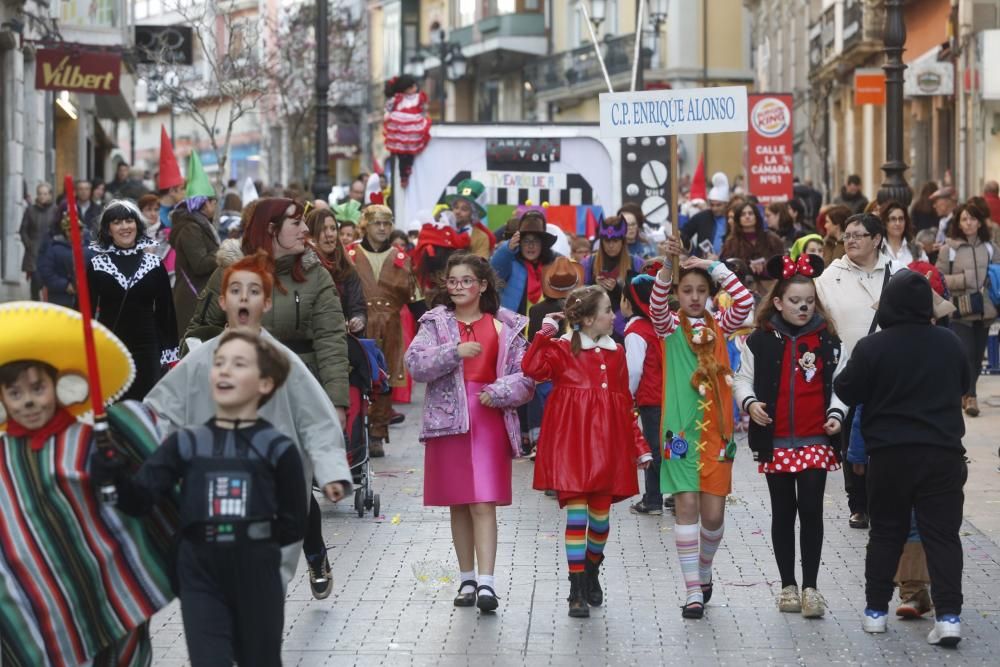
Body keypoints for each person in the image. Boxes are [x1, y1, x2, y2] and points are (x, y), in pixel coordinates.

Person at [146, 252, 351, 599]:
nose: (244, 297)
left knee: (262, 583)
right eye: (235, 290)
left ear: (267, 303)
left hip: (269, 490)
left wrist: (331, 471)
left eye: (254, 291)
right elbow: (159, 411)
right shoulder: (198, 361)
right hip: (213, 486)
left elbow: (317, 421)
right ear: (223, 300)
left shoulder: (284, 364)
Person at [97, 330, 307, 664]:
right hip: (199, 571)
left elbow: (295, 523)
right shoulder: (184, 443)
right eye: (218, 363)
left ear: (265, 383)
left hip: (257, 570)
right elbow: (138, 500)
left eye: (238, 364)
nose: (224, 370)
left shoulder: (279, 450)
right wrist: (113, 472)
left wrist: (252, 540)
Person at [0, 302, 175, 665]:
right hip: (40, 603)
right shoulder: (3, 458)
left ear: (59, 385)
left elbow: (144, 480)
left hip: (108, 584)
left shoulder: (90, 437)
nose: (29, 400)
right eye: (15, 393)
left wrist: (116, 463)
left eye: (37, 388)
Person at [834, 271, 969, 646]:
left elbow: (845, 388)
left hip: (890, 456)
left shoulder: (873, 347)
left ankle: (875, 612)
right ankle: (950, 617)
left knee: (886, 534)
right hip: (942, 453)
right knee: (942, 536)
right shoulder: (950, 343)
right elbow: (964, 384)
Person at [405, 253, 533, 612]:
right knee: (459, 503)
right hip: (448, 421)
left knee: (483, 501)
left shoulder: (503, 327)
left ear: (482, 286)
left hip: (488, 418)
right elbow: (415, 364)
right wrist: (453, 352)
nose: (459, 287)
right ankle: (466, 579)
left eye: (466, 281)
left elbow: (525, 376)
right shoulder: (434, 324)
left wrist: (501, 391)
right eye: (453, 281)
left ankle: (488, 583)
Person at [522, 286, 652, 618]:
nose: (614, 315)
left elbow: (625, 403)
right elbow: (533, 369)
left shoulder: (616, 352)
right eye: (609, 310)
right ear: (591, 318)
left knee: (600, 522)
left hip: (606, 445)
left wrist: (639, 446)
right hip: (571, 444)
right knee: (577, 517)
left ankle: (592, 568)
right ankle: (576, 588)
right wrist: (543, 335)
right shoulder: (562, 349)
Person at [734, 254, 846, 619]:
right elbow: (741, 379)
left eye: (809, 301)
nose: (803, 306)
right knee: (783, 512)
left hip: (815, 438)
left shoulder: (828, 339)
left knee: (812, 510)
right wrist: (749, 404)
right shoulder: (760, 340)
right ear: (778, 302)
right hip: (777, 440)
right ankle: (788, 586)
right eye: (796, 300)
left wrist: (836, 414)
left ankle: (812, 587)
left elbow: (840, 386)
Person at [649, 243, 754, 618]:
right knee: (687, 507)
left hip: (717, 435)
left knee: (713, 516)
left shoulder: (720, 325)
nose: (694, 298)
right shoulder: (670, 326)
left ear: (710, 294)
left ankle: (705, 570)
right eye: (686, 291)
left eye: (700, 291)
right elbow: (656, 306)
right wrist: (667, 268)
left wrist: (713, 266)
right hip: (678, 433)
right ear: (678, 294)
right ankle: (693, 590)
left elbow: (743, 303)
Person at [184, 197, 350, 431]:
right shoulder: (229, 274)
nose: (305, 229)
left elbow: (331, 342)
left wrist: (336, 403)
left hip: (300, 392)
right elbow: (195, 336)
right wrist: (225, 338)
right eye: (296, 223)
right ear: (271, 229)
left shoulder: (316, 275)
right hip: (239, 394)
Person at [88, 200, 179, 400]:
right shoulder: (96, 265)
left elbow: (166, 313)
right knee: (112, 408)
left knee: (144, 408)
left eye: (129, 221)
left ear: (137, 225)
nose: (125, 227)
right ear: (108, 230)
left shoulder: (154, 264)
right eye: (117, 222)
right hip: (110, 347)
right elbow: (84, 313)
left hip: (148, 351)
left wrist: (170, 355)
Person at [347, 204, 415, 455]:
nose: (383, 228)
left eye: (387, 223)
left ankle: (377, 432)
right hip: (358, 324)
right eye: (377, 223)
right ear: (366, 224)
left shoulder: (402, 259)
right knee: (355, 377)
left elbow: (415, 298)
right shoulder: (350, 255)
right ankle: (353, 430)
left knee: (384, 378)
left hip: (390, 325)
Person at [935, 202, 999, 417]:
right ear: (959, 223)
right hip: (961, 310)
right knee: (967, 353)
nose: (969, 222)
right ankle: (970, 395)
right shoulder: (949, 249)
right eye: (964, 219)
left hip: (986, 309)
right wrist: (963, 280)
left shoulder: (990, 247)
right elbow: (938, 278)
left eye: (972, 218)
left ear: (979, 222)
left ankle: (967, 392)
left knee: (978, 356)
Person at [623, 267, 666, 515]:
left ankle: (652, 499)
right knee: (670, 446)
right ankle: (674, 494)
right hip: (668, 395)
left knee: (652, 449)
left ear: (629, 302)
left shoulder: (635, 331)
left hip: (650, 398)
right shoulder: (659, 326)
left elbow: (634, 371)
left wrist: (628, 396)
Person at [307, 207, 367, 335]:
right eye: (323, 229)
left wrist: (358, 319)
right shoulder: (302, 268)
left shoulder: (347, 268)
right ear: (311, 235)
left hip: (339, 338)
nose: (329, 234)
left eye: (333, 229)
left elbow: (357, 307)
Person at [491, 206, 561, 314]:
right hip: (513, 325)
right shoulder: (510, 262)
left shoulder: (553, 263)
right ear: (519, 243)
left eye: (535, 241)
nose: (531, 246)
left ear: (542, 244)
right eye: (526, 241)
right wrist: (507, 248)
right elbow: (494, 271)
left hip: (543, 324)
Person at [583, 216, 644, 340]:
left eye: (615, 240)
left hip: (625, 330)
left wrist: (618, 289)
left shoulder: (636, 263)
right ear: (601, 241)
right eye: (606, 240)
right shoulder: (588, 263)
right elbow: (578, 298)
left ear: (622, 241)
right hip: (595, 330)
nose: (611, 245)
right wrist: (594, 287)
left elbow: (642, 300)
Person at [170, 190, 220, 338]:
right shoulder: (191, 228)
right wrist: (222, 252)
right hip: (192, 299)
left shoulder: (201, 224)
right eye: (213, 202)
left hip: (200, 297)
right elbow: (199, 264)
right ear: (204, 204)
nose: (215, 206)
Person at [720, 202, 785, 279]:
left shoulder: (772, 238)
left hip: (771, 284)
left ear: (756, 216)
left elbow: (782, 263)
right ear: (738, 219)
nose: (747, 216)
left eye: (750, 213)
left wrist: (766, 265)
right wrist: (747, 267)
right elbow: (725, 267)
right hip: (742, 286)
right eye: (743, 214)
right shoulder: (731, 242)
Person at [19, 181, 59, 299]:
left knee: (50, 283)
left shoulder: (56, 210)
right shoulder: (30, 210)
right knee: (36, 282)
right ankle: (35, 307)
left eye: (45, 194)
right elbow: (23, 230)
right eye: (40, 193)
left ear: (50, 195)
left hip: (50, 252)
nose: (42, 196)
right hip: (34, 252)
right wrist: (29, 244)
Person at [681, 172, 730, 257]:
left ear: (726, 204)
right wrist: (690, 250)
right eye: (712, 205)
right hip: (702, 263)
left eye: (718, 205)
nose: (715, 208)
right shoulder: (702, 217)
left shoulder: (732, 218)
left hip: (728, 264)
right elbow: (683, 234)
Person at [445, 178, 496, 258]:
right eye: (456, 207)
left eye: (464, 209)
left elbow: (480, 266)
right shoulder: (444, 230)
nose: (458, 212)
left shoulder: (481, 237)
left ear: (473, 214)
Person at [882, 201, 927, 265]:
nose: (898, 223)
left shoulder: (916, 249)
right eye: (893, 219)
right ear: (885, 222)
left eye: (901, 219)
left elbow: (927, 271)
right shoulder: (877, 249)